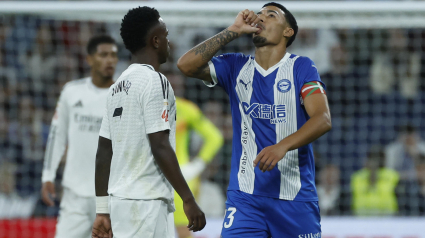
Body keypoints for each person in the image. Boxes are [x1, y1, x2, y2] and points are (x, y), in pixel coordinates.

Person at [178, 2, 331, 237]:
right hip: (245, 198)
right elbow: (185, 65)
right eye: (259, 14)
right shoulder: (235, 66)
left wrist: (282, 147)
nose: (261, 18)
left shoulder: (301, 67)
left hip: (294, 198)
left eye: (271, 15)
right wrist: (233, 30)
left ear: (288, 31)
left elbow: (322, 119)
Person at [92, 7, 205, 238]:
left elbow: (104, 151)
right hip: (146, 204)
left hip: (120, 203)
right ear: (155, 41)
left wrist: (102, 211)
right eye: (166, 35)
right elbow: (160, 144)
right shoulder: (156, 81)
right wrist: (188, 198)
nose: (169, 42)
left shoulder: (116, 87)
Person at [40, 35, 118, 238]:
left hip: (111, 196)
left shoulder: (121, 95)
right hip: (74, 193)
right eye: (103, 55)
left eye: (113, 55)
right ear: (89, 59)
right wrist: (48, 175)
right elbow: (57, 136)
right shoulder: (71, 92)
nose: (110, 60)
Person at [168, 73, 224, 238]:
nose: (173, 88)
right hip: (152, 178)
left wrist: (197, 166)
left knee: (183, 231)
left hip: (179, 178)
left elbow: (215, 137)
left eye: (177, 85)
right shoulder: (145, 107)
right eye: (170, 84)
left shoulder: (186, 109)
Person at [351, 146, 399, 216]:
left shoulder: (392, 176)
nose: (375, 162)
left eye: (377, 159)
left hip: (387, 215)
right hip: (361, 216)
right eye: (372, 159)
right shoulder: (357, 177)